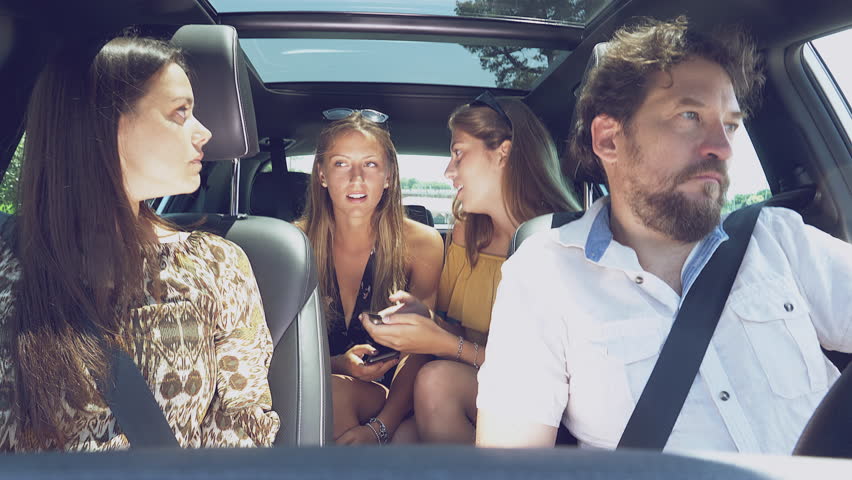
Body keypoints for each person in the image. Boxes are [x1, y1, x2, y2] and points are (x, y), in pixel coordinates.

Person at [476, 17, 852, 454]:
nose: (724, 147)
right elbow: (513, 463)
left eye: (730, 124)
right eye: (689, 116)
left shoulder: (780, 240)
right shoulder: (543, 274)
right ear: (609, 139)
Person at [0, 36, 280, 451]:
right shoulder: (10, 263)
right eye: (179, 112)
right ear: (103, 124)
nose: (204, 132)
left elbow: (242, 433)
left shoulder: (216, 265)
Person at [361, 94, 580, 443]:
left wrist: (445, 343)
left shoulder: (563, 241)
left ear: (503, 153)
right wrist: (427, 319)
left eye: (459, 153)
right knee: (402, 438)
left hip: (541, 403)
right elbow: (461, 330)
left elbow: (543, 373)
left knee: (435, 383)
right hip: (473, 386)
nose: (448, 170)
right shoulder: (468, 232)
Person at [298, 112, 443, 444]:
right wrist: (338, 365)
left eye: (371, 165)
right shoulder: (294, 244)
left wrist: (380, 428)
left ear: (389, 176)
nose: (356, 179)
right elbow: (276, 350)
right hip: (318, 388)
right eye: (341, 164)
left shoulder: (422, 245)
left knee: (333, 396)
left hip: (395, 398)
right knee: (330, 392)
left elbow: (420, 350)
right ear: (321, 174)